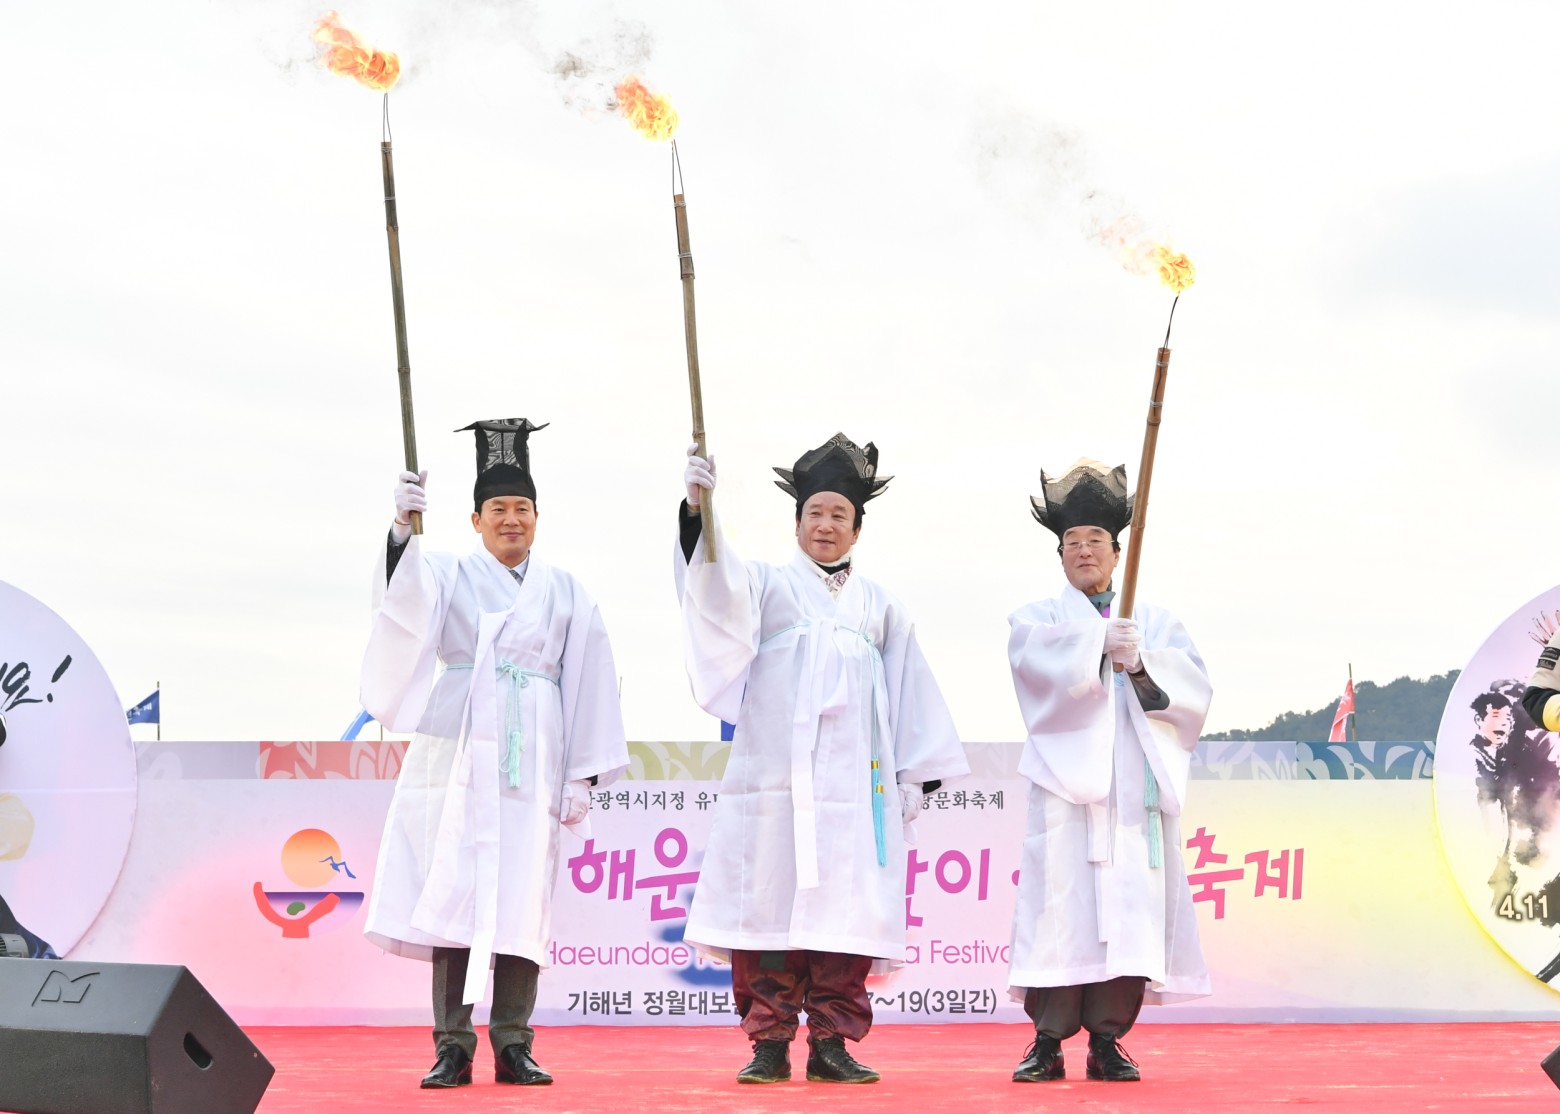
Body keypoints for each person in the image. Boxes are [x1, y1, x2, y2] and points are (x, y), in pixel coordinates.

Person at [675, 435, 968, 1085]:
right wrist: (699, 513)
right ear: (797, 522)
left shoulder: (882, 607)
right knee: (767, 908)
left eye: (839, 515)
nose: (826, 525)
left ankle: (833, 1041)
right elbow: (712, 588)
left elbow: (910, 691)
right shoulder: (767, 586)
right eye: (815, 513)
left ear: (857, 529)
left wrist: (912, 776)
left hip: (855, 794)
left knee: (847, 913)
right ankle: (769, 1042)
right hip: (775, 786)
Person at [359, 419, 628, 1090]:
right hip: (459, 744)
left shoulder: (567, 591)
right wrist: (402, 530)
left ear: (537, 518)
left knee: (522, 897)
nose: (512, 519)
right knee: (455, 888)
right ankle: (452, 1044)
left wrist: (582, 776)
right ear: (475, 520)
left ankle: (513, 1041)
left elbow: (591, 680)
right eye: (498, 509)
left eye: (522, 508)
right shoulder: (448, 572)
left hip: (534, 748)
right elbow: (401, 602)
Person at [1004, 459, 1212, 1083]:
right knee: (1059, 909)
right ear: (1060, 556)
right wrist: (1095, 644)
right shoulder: (1038, 619)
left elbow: (1191, 695)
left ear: (1118, 553)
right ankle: (1046, 1041)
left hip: (1132, 790)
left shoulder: (1157, 621)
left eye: (1096, 540)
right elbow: (1034, 668)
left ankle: (1107, 1039)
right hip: (1067, 791)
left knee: (1130, 909)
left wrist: (1141, 661)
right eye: (1072, 542)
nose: (1084, 550)